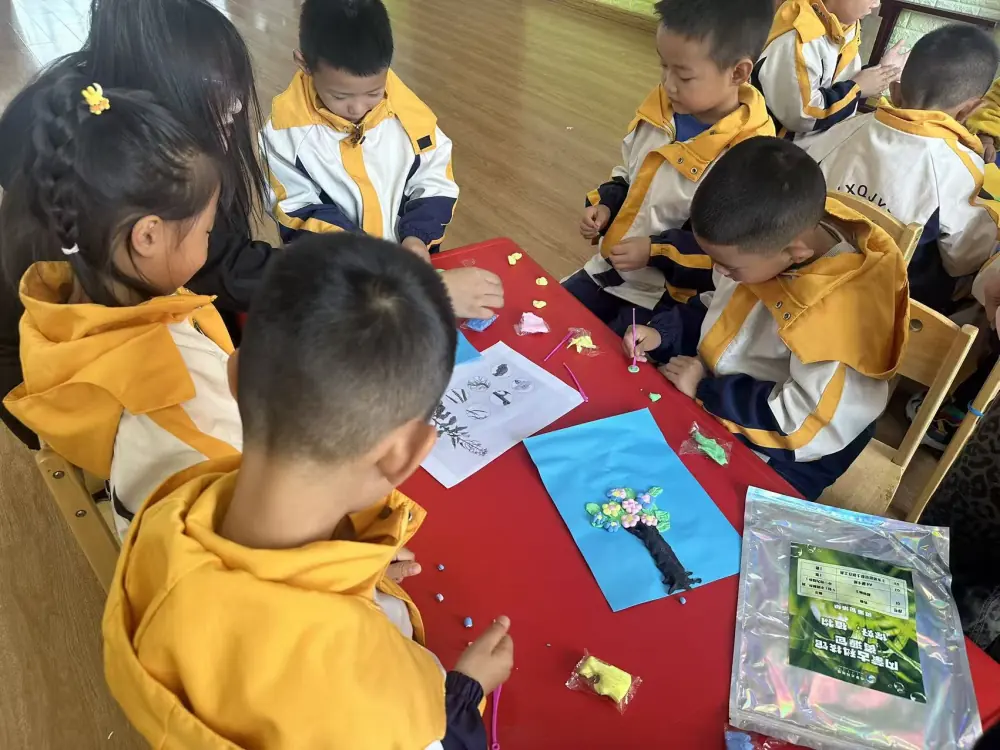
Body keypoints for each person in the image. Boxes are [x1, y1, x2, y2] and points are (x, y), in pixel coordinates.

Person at [103, 233, 514, 749]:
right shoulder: (376, 694)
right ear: (405, 454)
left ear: (235, 375)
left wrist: (341, 573)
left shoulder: (163, 512)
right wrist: (462, 694)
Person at [0, 0, 271, 449]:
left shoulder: (88, 124)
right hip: (71, 408)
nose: (237, 106)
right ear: (147, 235)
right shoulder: (142, 372)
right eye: (215, 87)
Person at [2, 76, 240, 538]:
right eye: (206, 231)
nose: (209, 244)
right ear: (147, 235)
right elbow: (234, 530)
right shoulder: (171, 397)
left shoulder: (56, 310)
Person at [623, 138, 909, 501]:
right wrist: (664, 334)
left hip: (790, 451)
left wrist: (705, 390)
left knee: (684, 503)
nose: (719, 272)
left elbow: (804, 428)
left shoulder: (842, 321)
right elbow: (719, 310)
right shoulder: (764, 245)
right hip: (725, 397)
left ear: (795, 252)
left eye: (729, 266)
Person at [259, 0, 500, 319]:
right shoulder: (283, 134)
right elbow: (297, 210)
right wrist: (369, 258)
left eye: (373, 93)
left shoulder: (411, 117)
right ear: (304, 64)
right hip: (337, 276)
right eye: (341, 96)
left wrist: (417, 237)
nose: (358, 108)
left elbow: (435, 180)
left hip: (409, 265)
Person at [565, 0, 775, 336]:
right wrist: (605, 205)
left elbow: (725, 258)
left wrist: (655, 251)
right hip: (610, 272)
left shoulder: (749, 159)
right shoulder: (660, 109)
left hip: (668, 303)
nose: (668, 84)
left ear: (738, 73)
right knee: (549, 315)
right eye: (663, 66)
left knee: (607, 357)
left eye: (684, 75)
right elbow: (629, 175)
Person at [805, 24, 1000, 315]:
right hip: (892, 305)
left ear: (895, 90)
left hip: (815, 271)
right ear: (967, 110)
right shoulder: (962, 169)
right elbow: (964, 260)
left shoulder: (843, 129)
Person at [753, 0, 902, 141]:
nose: (876, 4)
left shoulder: (843, 27)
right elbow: (804, 115)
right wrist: (856, 89)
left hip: (819, 145)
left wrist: (879, 73)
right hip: (781, 151)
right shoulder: (799, 38)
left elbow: (836, 81)